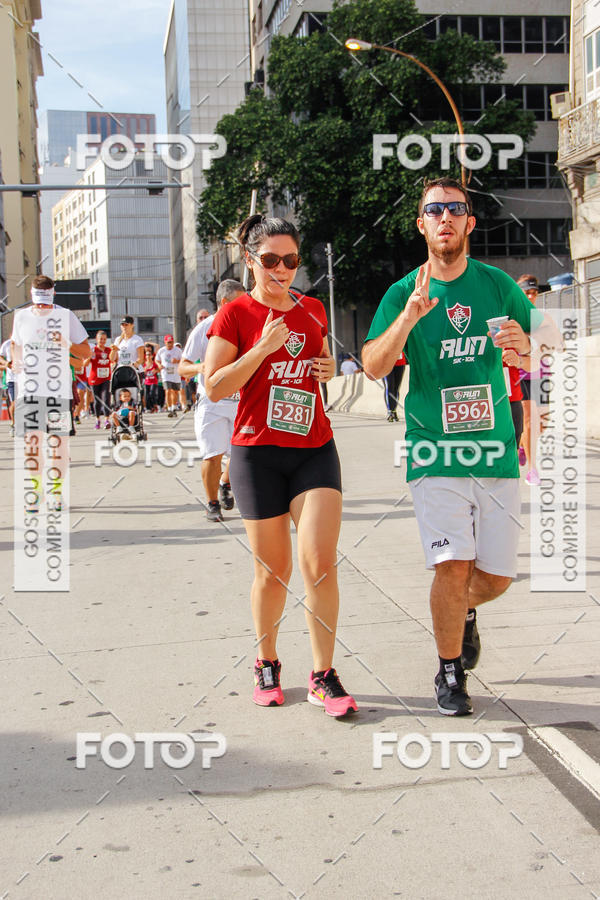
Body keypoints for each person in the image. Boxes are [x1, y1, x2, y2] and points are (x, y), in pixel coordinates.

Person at [362, 177, 547, 717]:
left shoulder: (496, 285)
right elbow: (374, 365)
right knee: (452, 564)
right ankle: (449, 673)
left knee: (492, 578)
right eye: (434, 210)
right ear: (421, 225)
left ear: (469, 223)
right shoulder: (404, 292)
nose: (445, 218)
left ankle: (461, 614)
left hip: (494, 451)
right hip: (434, 450)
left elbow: (544, 346)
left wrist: (525, 349)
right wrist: (409, 319)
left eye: (455, 210)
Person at [204, 214, 357, 717]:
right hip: (256, 453)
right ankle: (267, 662)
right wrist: (261, 350)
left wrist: (327, 370)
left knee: (319, 563)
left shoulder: (313, 310)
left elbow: (315, 372)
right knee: (273, 572)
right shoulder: (235, 315)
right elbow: (214, 386)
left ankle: (323, 675)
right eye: (270, 260)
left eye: (291, 260)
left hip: (313, 447)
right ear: (250, 260)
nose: (282, 269)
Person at [11, 275, 90, 510]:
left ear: (53, 294)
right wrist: (16, 361)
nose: (42, 308)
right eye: (38, 303)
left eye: (45, 303)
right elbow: (16, 345)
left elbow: (86, 352)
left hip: (58, 392)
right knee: (32, 444)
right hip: (29, 391)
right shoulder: (21, 317)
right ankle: (35, 491)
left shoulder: (66, 316)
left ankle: (55, 492)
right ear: (32, 297)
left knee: (58, 445)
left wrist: (66, 343)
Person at [179, 279, 245, 522]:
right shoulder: (203, 329)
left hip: (241, 401)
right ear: (225, 303)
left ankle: (225, 483)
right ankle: (212, 502)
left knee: (240, 453)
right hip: (211, 402)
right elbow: (182, 368)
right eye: (241, 301)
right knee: (212, 455)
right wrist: (201, 367)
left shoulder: (248, 325)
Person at [516, 274, 544, 485]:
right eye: (527, 292)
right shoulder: (513, 314)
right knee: (528, 420)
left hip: (539, 372)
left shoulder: (540, 316)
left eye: (534, 292)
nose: (531, 296)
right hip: (519, 374)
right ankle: (532, 469)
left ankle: (523, 446)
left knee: (540, 424)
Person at [88, 330, 112, 429]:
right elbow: (85, 363)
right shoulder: (93, 350)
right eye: (100, 339)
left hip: (106, 377)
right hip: (94, 379)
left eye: (104, 339)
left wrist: (114, 351)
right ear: (97, 339)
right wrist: (88, 357)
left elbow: (114, 360)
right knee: (97, 400)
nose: (102, 341)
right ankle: (97, 420)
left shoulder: (108, 350)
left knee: (106, 398)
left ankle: (107, 420)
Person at [156, 334, 182, 417]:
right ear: (165, 342)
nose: (170, 344)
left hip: (175, 373)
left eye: (171, 342)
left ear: (173, 342)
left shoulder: (178, 350)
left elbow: (183, 360)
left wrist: (177, 360)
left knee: (174, 391)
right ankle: (170, 408)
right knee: (168, 391)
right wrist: (159, 365)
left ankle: (174, 407)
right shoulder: (161, 351)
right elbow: (157, 360)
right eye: (168, 343)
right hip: (166, 374)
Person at [383, 354, 406, 422]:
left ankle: (394, 410)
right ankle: (390, 411)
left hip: (400, 362)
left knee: (396, 388)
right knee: (389, 387)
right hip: (386, 364)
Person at [0, 338, 15, 435]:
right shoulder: (7, 344)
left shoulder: (28, 341)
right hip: (12, 379)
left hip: (27, 378)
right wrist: (6, 364)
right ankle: (14, 425)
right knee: (14, 402)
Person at [143, 345, 160, 412]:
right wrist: (145, 369)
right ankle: (148, 408)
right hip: (147, 381)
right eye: (147, 355)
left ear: (152, 356)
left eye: (149, 355)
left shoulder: (154, 363)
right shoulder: (144, 364)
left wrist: (155, 370)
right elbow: (142, 372)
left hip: (153, 381)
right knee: (147, 395)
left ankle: (154, 405)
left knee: (152, 393)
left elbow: (159, 369)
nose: (148, 356)